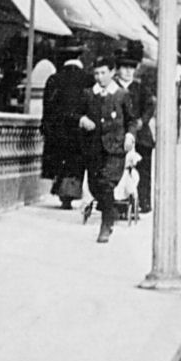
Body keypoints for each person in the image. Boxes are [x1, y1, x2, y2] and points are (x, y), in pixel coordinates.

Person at [79, 54, 138, 243]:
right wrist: (81, 119)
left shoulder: (121, 95)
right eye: (96, 73)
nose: (99, 77)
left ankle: (106, 225)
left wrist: (130, 135)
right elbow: (75, 114)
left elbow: (132, 120)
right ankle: (110, 209)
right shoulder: (89, 94)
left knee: (106, 184)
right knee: (95, 186)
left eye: (103, 72)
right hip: (93, 148)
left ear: (112, 73)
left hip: (115, 149)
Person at [40, 55, 92, 208]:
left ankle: (64, 195)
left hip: (59, 130)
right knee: (76, 163)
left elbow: (47, 108)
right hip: (80, 129)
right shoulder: (88, 79)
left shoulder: (54, 79)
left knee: (61, 162)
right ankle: (70, 193)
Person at [116, 55, 156, 214]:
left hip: (140, 135)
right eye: (124, 68)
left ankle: (144, 201)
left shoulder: (140, 88)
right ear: (118, 70)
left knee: (143, 168)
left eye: (131, 68)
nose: (127, 71)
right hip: (120, 134)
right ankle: (119, 201)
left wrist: (142, 121)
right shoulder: (114, 87)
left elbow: (149, 106)